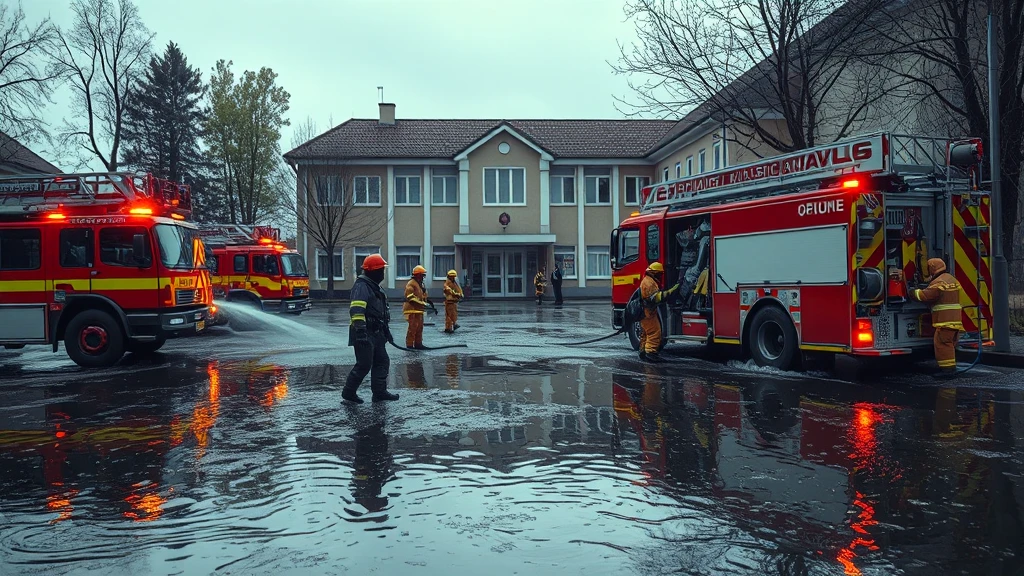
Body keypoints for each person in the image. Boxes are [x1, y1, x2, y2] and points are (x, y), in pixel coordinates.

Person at [343, 253, 399, 403]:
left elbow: (380, 313)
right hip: (364, 332)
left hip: (376, 331)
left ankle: (379, 393)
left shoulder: (373, 286)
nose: (383, 273)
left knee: (382, 361)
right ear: (373, 271)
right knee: (364, 364)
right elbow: (356, 310)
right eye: (381, 270)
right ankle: (348, 393)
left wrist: (386, 332)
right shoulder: (362, 287)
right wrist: (361, 332)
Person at [909, 257, 963, 375]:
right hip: (954, 320)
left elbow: (926, 296)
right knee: (949, 343)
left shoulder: (939, 282)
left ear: (932, 268)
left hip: (945, 321)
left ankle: (947, 370)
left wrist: (912, 292)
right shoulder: (950, 278)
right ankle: (950, 368)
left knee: (943, 343)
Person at [639, 262, 679, 362]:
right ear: (654, 273)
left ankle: (643, 352)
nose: (660, 276)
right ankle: (650, 353)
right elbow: (655, 298)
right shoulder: (649, 283)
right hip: (648, 313)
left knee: (645, 333)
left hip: (645, 312)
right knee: (654, 332)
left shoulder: (648, 280)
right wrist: (670, 292)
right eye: (659, 274)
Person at [404, 265, 429, 349]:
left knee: (419, 328)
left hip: (419, 310)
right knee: (413, 328)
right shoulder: (411, 284)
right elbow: (410, 297)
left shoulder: (420, 284)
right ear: (418, 275)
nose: (423, 277)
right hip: (412, 310)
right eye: (422, 275)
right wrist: (422, 303)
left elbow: (422, 296)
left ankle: (418, 344)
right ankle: (410, 345)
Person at [443, 269, 463, 334]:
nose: (454, 278)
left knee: (452, 314)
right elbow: (449, 290)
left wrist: (460, 293)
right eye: (453, 277)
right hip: (450, 302)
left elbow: (457, 288)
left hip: (453, 301)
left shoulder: (453, 282)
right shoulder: (447, 283)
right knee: (450, 315)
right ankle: (449, 327)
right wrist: (457, 294)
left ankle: (452, 326)